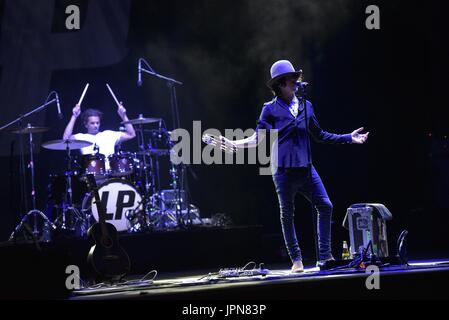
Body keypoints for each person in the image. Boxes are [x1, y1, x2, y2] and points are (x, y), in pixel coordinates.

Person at [222, 60, 369, 273]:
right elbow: (258, 139)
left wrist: (348, 137)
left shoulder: (306, 106)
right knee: (287, 214)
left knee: (325, 205)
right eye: (292, 79)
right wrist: (235, 144)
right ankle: (296, 259)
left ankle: (325, 255)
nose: (296, 81)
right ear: (281, 84)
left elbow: (319, 135)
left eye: (296, 78)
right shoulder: (270, 109)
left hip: (306, 168)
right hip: (283, 170)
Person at [62, 103, 136, 167]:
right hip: (89, 176)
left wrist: (124, 116)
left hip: (110, 175)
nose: (96, 125)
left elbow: (131, 134)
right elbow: (66, 138)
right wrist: (74, 116)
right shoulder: (81, 137)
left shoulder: (109, 134)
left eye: (97, 123)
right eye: (92, 123)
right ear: (85, 124)